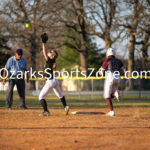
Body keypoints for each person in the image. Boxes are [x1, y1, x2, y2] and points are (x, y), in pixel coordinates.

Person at [38, 42, 70, 116]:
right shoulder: (53, 61)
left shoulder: (50, 60)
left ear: (52, 56)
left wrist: (43, 43)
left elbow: (44, 52)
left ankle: (46, 111)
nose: (49, 52)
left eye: (51, 52)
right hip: (54, 80)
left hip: (50, 81)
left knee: (41, 97)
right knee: (60, 95)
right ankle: (65, 106)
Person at [99, 48, 126, 116]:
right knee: (111, 94)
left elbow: (101, 72)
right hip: (117, 77)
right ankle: (115, 94)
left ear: (108, 54)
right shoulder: (119, 61)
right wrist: (127, 78)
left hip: (110, 77)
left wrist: (99, 72)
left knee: (106, 96)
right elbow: (125, 70)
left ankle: (112, 111)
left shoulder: (107, 60)